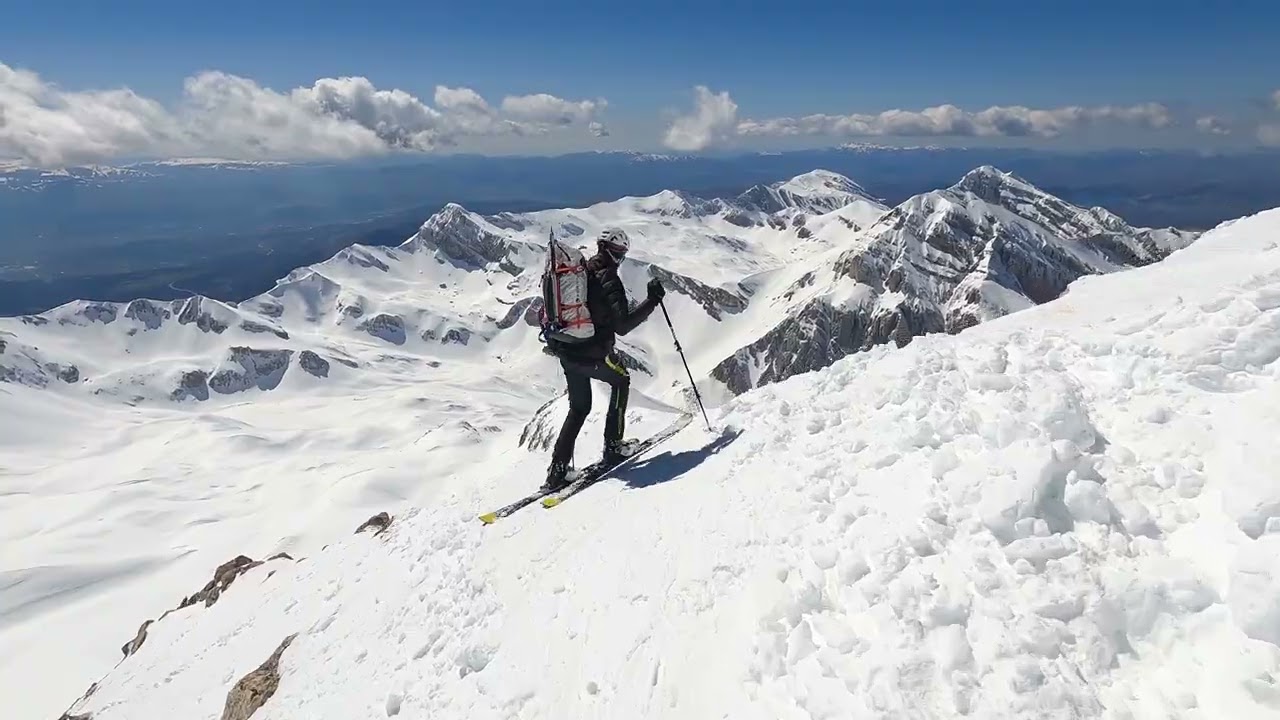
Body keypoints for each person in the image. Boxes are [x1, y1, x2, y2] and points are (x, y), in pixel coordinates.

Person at [542, 228, 665, 491]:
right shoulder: (608, 278)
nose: (621, 258)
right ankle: (613, 446)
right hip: (594, 353)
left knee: (578, 408)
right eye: (621, 253)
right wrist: (653, 300)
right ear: (616, 253)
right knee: (621, 381)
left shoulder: (581, 272)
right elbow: (623, 325)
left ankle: (557, 471)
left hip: (567, 351)